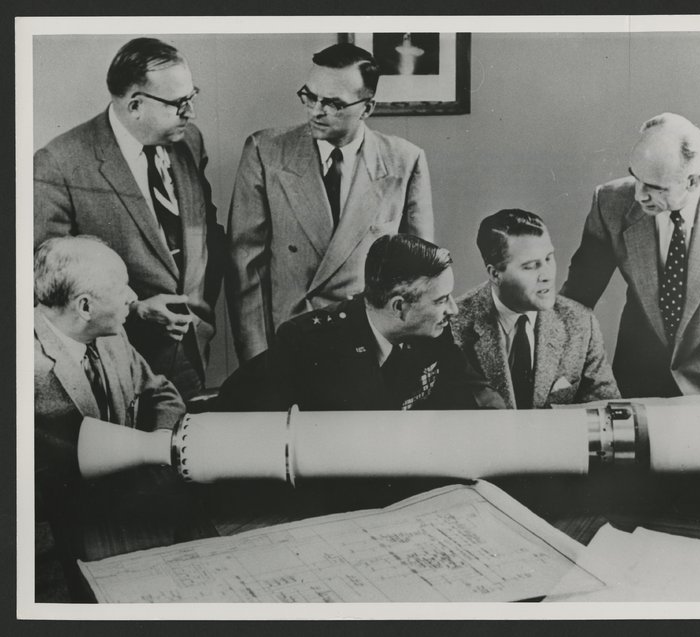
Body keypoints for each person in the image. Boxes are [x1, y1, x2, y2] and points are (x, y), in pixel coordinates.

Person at [34, 37, 225, 400]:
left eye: (193, 96)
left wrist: (202, 312)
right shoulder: (59, 164)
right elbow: (49, 289)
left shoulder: (189, 141)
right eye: (180, 103)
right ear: (136, 105)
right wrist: (134, 309)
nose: (192, 113)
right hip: (118, 366)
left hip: (192, 351)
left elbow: (206, 235)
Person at [226, 42, 434, 363]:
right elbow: (245, 270)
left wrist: (406, 358)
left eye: (333, 103)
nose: (315, 110)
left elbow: (418, 274)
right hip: (289, 343)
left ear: (367, 108)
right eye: (309, 96)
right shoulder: (265, 152)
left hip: (370, 347)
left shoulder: (404, 161)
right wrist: (257, 360)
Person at [561, 113, 700, 397]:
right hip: (637, 372)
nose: (638, 195)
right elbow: (575, 300)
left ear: (693, 181)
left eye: (655, 188)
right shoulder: (609, 201)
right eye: (636, 178)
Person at [219, 234, 504, 412]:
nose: (453, 309)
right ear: (399, 307)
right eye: (441, 300)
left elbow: (479, 395)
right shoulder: (308, 344)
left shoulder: (433, 333)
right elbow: (238, 409)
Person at [34, 236, 184, 485]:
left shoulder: (110, 335)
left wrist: (158, 443)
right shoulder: (21, 368)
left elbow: (160, 393)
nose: (132, 296)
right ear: (85, 307)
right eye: (120, 288)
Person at [452, 209, 619, 409]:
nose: (547, 275)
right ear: (495, 274)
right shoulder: (453, 325)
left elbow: (607, 412)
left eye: (549, 258)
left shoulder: (580, 322)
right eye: (531, 266)